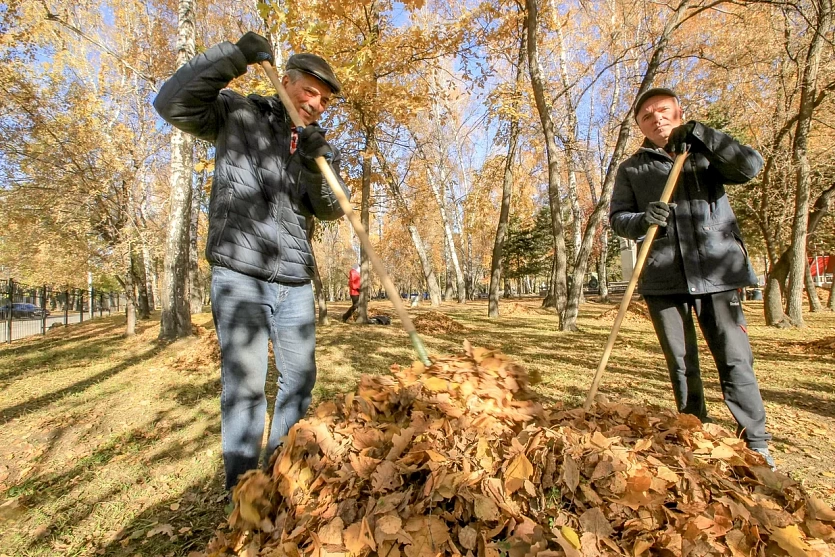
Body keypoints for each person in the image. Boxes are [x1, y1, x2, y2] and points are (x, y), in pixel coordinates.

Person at [153, 32, 349, 492]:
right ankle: (243, 493)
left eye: (324, 100)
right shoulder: (238, 113)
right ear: (286, 82)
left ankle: (280, 475)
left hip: (295, 280)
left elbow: (330, 209)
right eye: (309, 91)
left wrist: (315, 164)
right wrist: (234, 57)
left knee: (299, 380)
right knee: (245, 386)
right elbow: (172, 104)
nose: (316, 104)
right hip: (240, 273)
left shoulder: (317, 146)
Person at [609, 87, 774, 468]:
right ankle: (694, 431)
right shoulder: (632, 168)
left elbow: (749, 167)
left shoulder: (704, 152)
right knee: (682, 365)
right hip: (663, 278)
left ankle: (757, 442)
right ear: (640, 127)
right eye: (647, 116)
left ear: (679, 113)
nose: (657, 118)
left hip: (717, 272)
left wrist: (702, 134)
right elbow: (619, 219)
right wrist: (642, 219)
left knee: (735, 360)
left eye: (663, 110)